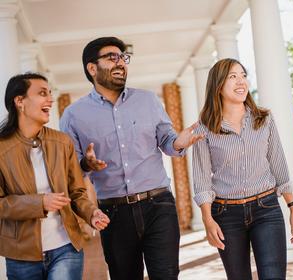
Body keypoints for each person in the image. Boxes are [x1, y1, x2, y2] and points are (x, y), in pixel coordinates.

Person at [60, 37, 203, 280]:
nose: (121, 63)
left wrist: (178, 143)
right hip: (113, 213)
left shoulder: (148, 101)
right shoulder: (73, 115)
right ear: (92, 68)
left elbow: (167, 141)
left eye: (123, 58)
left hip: (158, 205)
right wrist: (86, 164)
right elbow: (69, 170)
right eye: (111, 57)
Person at [193, 58, 293, 280]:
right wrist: (207, 219)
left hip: (266, 209)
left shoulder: (264, 119)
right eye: (233, 77)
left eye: (243, 75)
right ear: (218, 85)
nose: (240, 81)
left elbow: (279, 164)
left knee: (273, 276)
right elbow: (202, 178)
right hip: (225, 214)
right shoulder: (204, 128)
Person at [0, 72, 110, 280]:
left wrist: (91, 213)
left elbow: (76, 192)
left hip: (66, 247)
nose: (50, 99)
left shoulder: (62, 142)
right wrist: (40, 203)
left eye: (50, 93)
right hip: (20, 254)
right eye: (42, 93)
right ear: (19, 101)